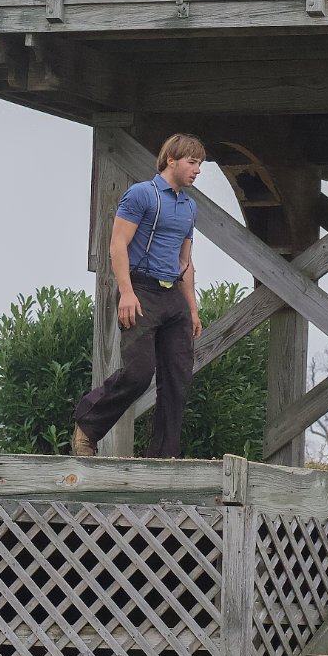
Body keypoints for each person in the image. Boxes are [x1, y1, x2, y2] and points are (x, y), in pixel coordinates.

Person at [71, 133, 205, 459]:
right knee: (139, 373)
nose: (197, 170)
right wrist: (127, 293)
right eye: (192, 162)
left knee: (177, 378)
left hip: (173, 295)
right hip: (140, 290)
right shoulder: (141, 195)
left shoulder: (190, 207)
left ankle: (163, 457)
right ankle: (87, 427)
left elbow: (185, 262)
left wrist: (192, 309)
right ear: (171, 159)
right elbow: (117, 244)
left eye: (200, 164)